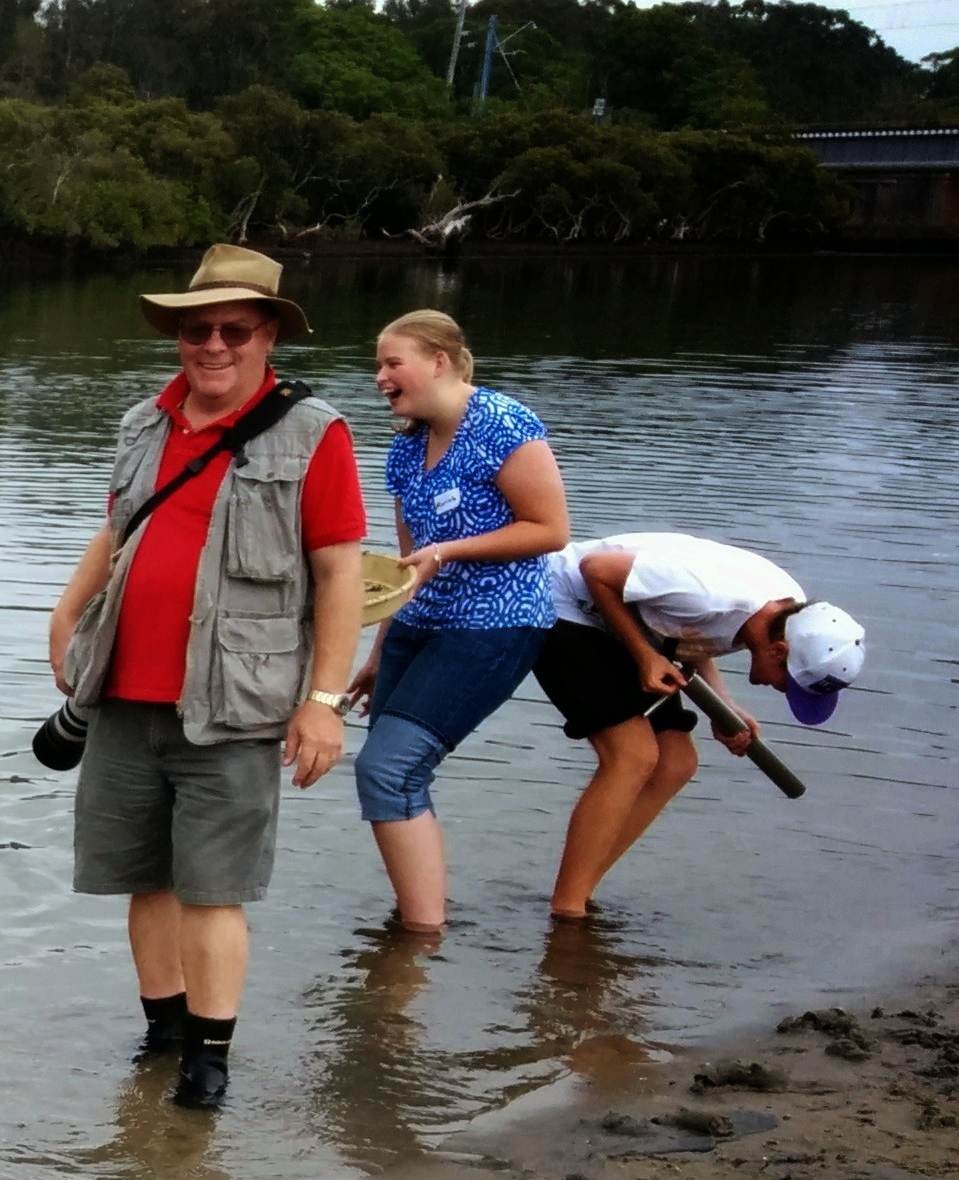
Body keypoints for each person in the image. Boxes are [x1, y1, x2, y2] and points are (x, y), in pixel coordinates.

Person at [45, 244, 366, 1112]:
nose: (212, 345)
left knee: (213, 890)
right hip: (119, 694)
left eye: (233, 329)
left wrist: (325, 703)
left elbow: (341, 573)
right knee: (141, 878)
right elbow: (117, 534)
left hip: (236, 703)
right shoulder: (141, 425)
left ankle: (209, 1065)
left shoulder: (316, 433)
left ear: (268, 335)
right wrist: (65, 616)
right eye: (197, 329)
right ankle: (162, 1034)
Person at [350, 310, 567, 931]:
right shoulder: (406, 446)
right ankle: (421, 924)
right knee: (389, 776)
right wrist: (375, 654)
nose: (380, 378)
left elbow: (550, 529)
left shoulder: (503, 423)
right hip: (419, 625)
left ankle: (420, 938)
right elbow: (403, 570)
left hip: (493, 626)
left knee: (387, 769)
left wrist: (448, 550)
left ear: (438, 360)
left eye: (392, 363)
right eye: (379, 365)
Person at [532, 534, 869, 918]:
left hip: (618, 619)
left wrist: (722, 706)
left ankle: (581, 889)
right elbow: (596, 570)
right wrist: (645, 658)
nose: (781, 690)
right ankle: (568, 910)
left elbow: (691, 635)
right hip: (559, 600)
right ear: (779, 651)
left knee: (677, 762)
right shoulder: (712, 594)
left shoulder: (786, 613)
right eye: (787, 682)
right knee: (632, 756)